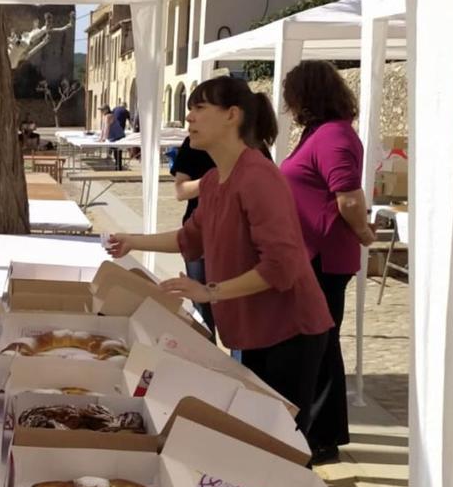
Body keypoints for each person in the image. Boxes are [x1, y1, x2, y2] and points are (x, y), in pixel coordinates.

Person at [105, 76, 333, 443]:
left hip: (291, 333)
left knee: (279, 445)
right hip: (256, 331)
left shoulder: (258, 177)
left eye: (199, 108)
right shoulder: (212, 182)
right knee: (256, 439)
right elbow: (188, 238)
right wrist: (133, 241)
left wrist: (210, 291)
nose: (189, 118)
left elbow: (281, 266)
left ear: (232, 115)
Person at [280, 60, 376, 465]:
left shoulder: (335, 135)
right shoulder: (318, 133)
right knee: (317, 344)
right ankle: (321, 433)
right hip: (310, 255)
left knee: (318, 345)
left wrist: (367, 237)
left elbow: (349, 198)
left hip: (323, 258)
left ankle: (321, 438)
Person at [168, 135, 219, 342]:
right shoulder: (195, 142)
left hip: (235, 239)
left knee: (236, 306)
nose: (190, 117)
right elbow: (180, 190)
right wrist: (212, 181)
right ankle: (208, 358)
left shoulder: (250, 142)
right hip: (198, 233)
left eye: (199, 108)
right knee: (203, 311)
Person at [108, 103, 130, 170]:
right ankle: (119, 166)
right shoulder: (125, 111)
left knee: (115, 148)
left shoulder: (115, 109)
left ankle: (116, 163)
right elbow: (131, 120)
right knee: (119, 150)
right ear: (125, 106)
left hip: (113, 130)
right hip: (120, 132)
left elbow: (110, 116)